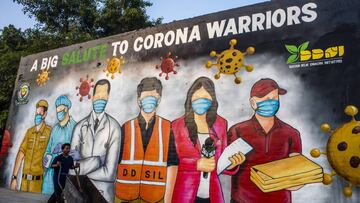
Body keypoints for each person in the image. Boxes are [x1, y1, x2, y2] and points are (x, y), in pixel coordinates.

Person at [227, 78, 302, 203]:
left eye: (275, 98)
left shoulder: (291, 133)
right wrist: (231, 165)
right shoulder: (237, 131)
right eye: (267, 99)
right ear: (253, 103)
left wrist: (299, 179)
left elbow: (298, 167)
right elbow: (225, 166)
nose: (272, 102)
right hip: (242, 200)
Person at [172, 77, 245, 203]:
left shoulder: (221, 124)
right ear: (190, 99)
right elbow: (170, 163)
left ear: (212, 100)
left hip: (212, 195)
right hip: (185, 194)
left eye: (205, 98)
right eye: (197, 98)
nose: (201, 101)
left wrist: (232, 164)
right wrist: (196, 165)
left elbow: (219, 163)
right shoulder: (176, 126)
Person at [115, 77, 178, 203]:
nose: (149, 101)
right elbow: (116, 162)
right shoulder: (126, 127)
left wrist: (168, 200)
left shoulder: (167, 127)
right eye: (145, 97)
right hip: (125, 196)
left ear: (159, 99)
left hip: (155, 197)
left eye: (153, 97)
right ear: (139, 100)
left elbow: (172, 164)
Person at [70, 79, 121, 202]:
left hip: (103, 194)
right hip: (80, 192)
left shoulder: (114, 127)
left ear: (108, 97)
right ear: (92, 97)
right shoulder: (80, 126)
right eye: (98, 95)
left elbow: (110, 173)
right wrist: (97, 161)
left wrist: (82, 171)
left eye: (104, 95)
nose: (100, 98)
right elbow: (71, 167)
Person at [10, 100, 52, 193]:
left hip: (38, 183)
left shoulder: (49, 132)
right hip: (24, 182)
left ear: (45, 114)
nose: (37, 116)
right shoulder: (29, 132)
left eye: (40, 113)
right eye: (36, 113)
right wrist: (14, 177)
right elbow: (21, 153)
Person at [42, 95, 76, 195]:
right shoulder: (55, 129)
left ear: (66, 108)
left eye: (59, 108)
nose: (57, 111)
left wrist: (63, 153)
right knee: (52, 193)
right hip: (50, 172)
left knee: (60, 194)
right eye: (56, 109)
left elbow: (75, 151)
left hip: (64, 171)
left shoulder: (74, 127)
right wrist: (47, 160)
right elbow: (48, 149)